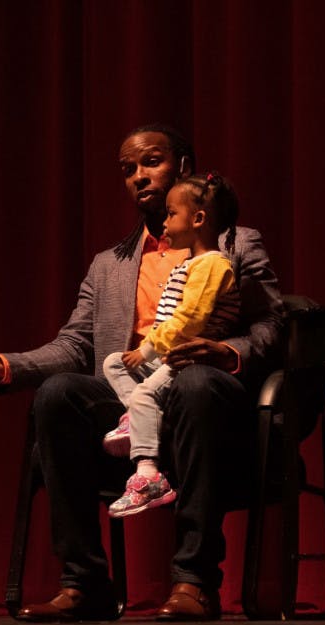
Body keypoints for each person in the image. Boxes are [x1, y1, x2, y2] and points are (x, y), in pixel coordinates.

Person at [0, 123, 284, 621]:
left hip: (205, 396)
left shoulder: (237, 243)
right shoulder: (108, 264)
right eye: (127, 170)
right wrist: (7, 364)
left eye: (151, 162)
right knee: (58, 395)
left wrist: (226, 353)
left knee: (194, 381)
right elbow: (77, 345)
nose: (138, 176)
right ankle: (85, 582)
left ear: (183, 167)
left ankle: (195, 581)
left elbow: (272, 324)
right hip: (130, 393)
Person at [102, 171, 242, 519]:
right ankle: (136, 416)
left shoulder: (213, 264)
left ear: (198, 219)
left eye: (171, 214)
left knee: (147, 393)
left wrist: (147, 350)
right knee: (113, 363)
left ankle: (148, 475)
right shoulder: (191, 263)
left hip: (189, 359)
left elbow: (189, 320)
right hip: (169, 352)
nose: (164, 222)